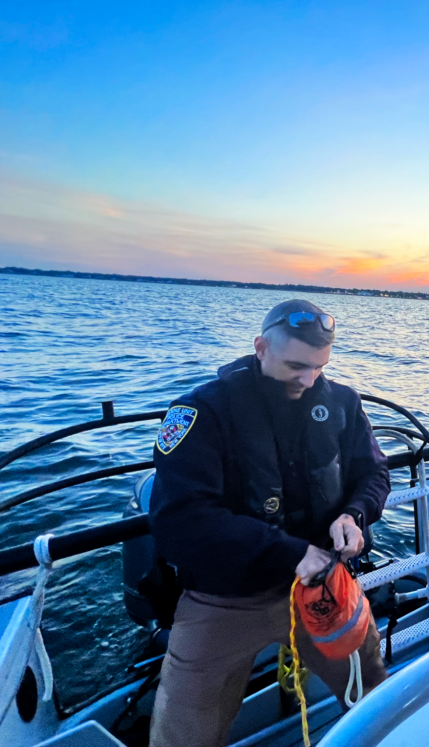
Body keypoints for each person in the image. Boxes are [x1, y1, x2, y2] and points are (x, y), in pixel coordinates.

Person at [148, 299, 390, 747]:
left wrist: (354, 515)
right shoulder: (201, 413)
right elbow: (181, 519)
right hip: (227, 597)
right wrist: (293, 552)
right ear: (260, 347)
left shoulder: (341, 402)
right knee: (183, 732)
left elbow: (374, 473)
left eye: (319, 367)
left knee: (374, 692)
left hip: (326, 586)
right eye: (296, 365)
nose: (308, 379)